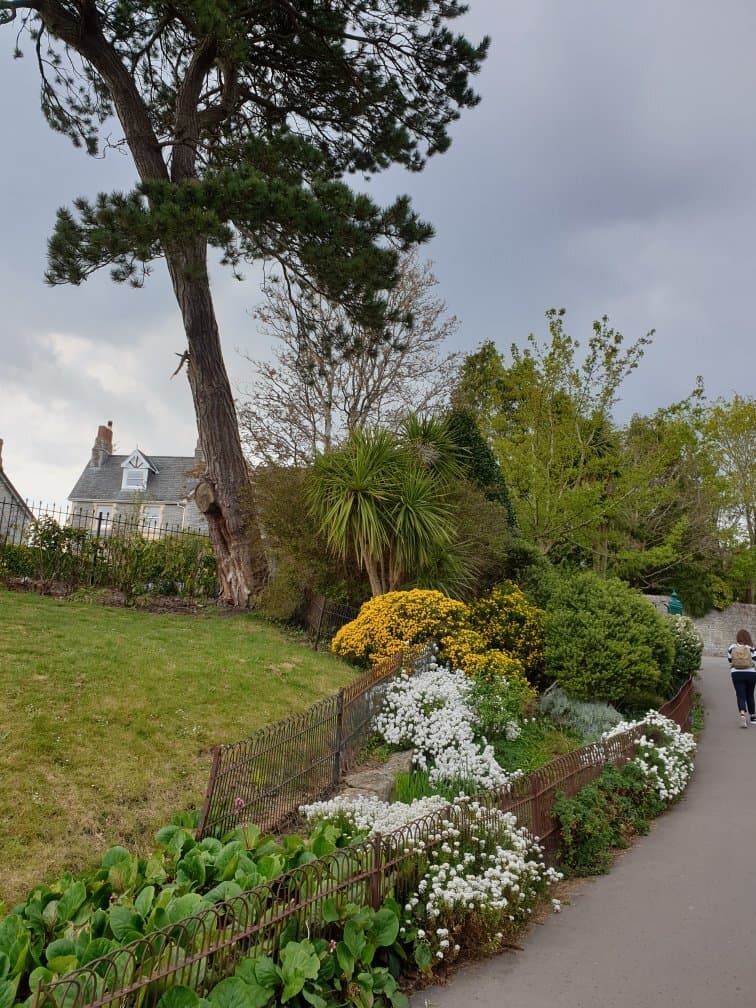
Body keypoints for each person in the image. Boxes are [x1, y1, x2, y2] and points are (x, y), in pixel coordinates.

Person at [727, 629, 756, 728]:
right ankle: (753, 717)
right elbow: (755, 660)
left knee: (740, 695)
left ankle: (742, 714)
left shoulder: (732, 647)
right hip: (751, 674)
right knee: (750, 695)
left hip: (736, 673)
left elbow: (730, 660)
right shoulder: (751, 647)